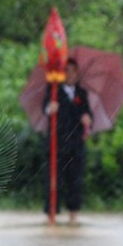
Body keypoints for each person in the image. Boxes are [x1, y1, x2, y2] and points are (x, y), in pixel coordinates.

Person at [43, 58, 93, 225]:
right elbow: (45, 109)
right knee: (54, 180)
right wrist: (51, 108)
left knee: (75, 180)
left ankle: (73, 215)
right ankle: (52, 215)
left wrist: (87, 119)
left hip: (76, 145)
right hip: (57, 144)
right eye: (67, 71)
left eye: (73, 71)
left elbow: (88, 113)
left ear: (77, 73)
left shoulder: (82, 93)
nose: (70, 74)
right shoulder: (53, 90)